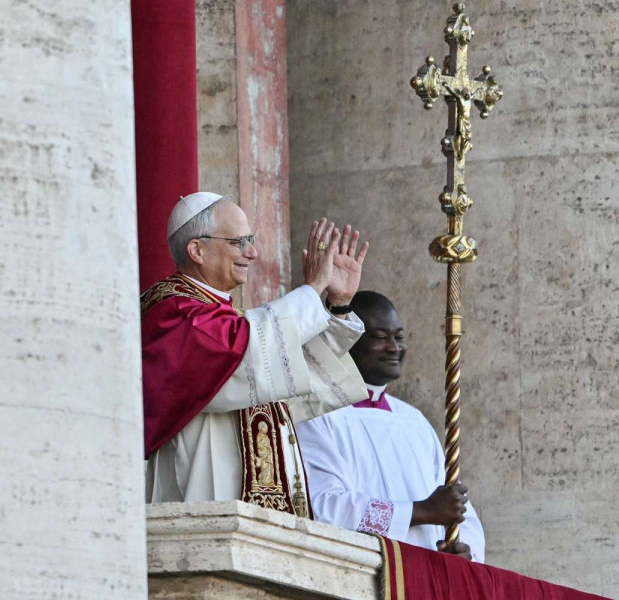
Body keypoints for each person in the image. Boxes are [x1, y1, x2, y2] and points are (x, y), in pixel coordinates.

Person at [142, 192, 370, 518]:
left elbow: (287, 375)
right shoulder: (175, 313)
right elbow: (246, 352)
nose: (252, 252)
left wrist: (338, 305)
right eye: (239, 242)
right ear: (197, 250)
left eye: (250, 240)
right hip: (203, 503)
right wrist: (311, 289)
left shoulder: (224, 319)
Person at [294, 291, 486, 561]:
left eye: (399, 337)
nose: (394, 347)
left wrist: (465, 550)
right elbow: (324, 507)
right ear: (348, 341)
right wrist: (420, 511)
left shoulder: (413, 421)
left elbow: (455, 506)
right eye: (380, 337)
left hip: (428, 575)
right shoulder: (317, 416)